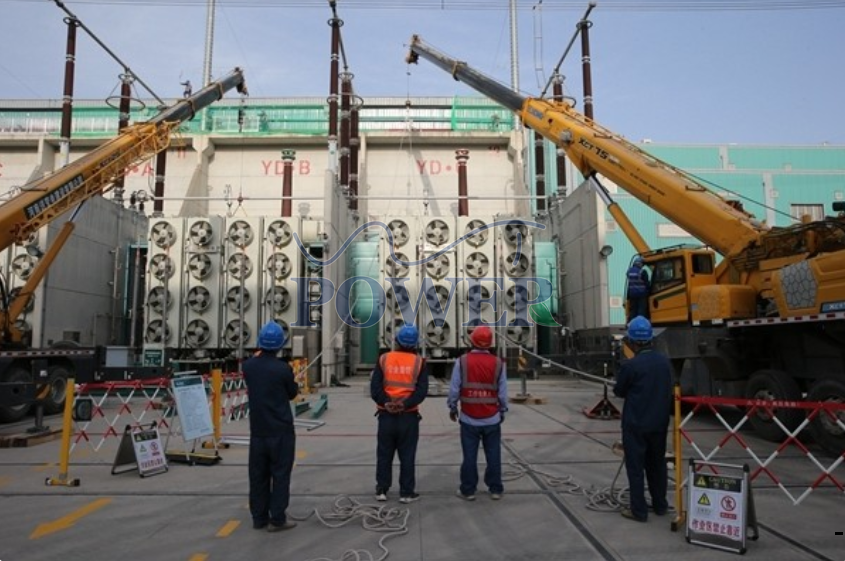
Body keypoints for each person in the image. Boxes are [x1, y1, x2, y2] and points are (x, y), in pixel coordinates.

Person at [613, 316, 673, 522]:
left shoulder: (631, 366)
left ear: (631, 341)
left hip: (636, 424)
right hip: (659, 423)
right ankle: (660, 505)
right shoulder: (664, 363)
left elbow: (619, 391)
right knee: (657, 465)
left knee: (636, 467)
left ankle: (638, 510)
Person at [242, 321, 299, 532]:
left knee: (258, 476)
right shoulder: (283, 369)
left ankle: (259, 518)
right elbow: (292, 394)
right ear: (280, 344)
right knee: (281, 475)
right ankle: (277, 519)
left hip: (258, 431)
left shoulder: (248, 367)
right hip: (281, 431)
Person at [447, 326, 508, 501]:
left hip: (468, 418)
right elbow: (503, 392)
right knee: (494, 455)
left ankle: (468, 490)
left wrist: (452, 407)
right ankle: (495, 489)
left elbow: (454, 389)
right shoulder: (498, 363)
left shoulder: (462, 361)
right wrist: (502, 409)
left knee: (469, 456)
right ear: (490, 343)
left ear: (472, 340)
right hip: (492, 418)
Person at [370, 324, 429, 504]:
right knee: (407, 455)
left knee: (384, 454)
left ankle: (381, 490)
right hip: (408, 417)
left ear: (395, 340)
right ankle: (406, 492)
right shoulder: (419, 362)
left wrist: (387, 402)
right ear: (416, 344)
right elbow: (421, 391)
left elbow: (375, 388)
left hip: (386, 416)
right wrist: (404, 404)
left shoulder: (384, 359)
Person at [626, 256, 650, 321]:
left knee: (633, 311)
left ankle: (633, 324)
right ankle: (640, 324)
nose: (642, 265)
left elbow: (630, 283)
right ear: (639, 263)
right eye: (642, 264)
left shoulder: (629, 272)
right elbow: (647, 284)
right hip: (641, 294)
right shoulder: (642, 272)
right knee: (641, 310)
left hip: (632, 294)